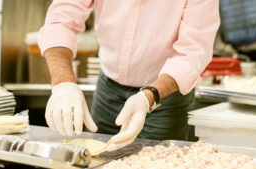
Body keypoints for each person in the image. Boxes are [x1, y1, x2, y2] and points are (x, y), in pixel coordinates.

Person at [38, 0, 220, 151]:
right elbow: (61, 20)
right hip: (108, 89)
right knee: (100, 159)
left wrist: (149, 97)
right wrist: (63, 83)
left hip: (165, 97)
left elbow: (193, 51)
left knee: (157, 162)